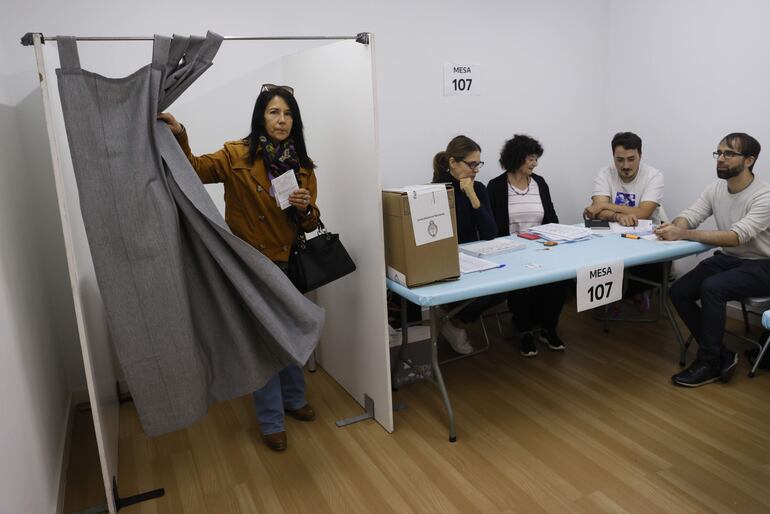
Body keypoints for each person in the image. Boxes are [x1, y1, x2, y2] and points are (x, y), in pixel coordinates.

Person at [158, 84, 318, 451]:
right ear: (260, 117)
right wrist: (180, 134)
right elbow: (194, 170)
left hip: (288, 261)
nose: (281, 120)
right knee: (262, 345)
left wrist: (306, 207)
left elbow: (309, 223)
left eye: (288, 114)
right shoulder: (235, 155)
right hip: (250, 264)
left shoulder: (302, 165)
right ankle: (270, 420)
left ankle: (294, 400)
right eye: (274, 112)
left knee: (292, 334)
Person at [657, 132, 770, 387]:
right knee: (679, 291)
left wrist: (683, 233)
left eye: (728, 154)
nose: (720, 159)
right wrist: (674, 226)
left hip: (763, 265)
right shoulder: (717, 188)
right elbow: (692, 214)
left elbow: (736, 236)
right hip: (731, 260)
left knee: (713, 287)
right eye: (718, 153)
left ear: (749, 160)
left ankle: (709, 362)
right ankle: (721, 354)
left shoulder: (765, 195)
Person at [487, 135, 568, 356]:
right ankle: (524, 332)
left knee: (560, 282)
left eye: (536, 159)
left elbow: (551, 216)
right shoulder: (495, 186)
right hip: (509, 251)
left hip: (541, 246)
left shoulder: (540, 183)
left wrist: (556, 238)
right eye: (531, 159)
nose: (535, 163)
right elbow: (492, 228)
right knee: (520, 284)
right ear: (516, 158)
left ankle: (548, 328)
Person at [431, 135, 498, 354]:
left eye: (478, 163)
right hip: (446, 261)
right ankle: (450, 321)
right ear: (453, 163)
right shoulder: (435, 191)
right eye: (472, 164)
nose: (476, 169)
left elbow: (490, 233)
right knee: (482, 294)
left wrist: (471, 196)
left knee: (502, 290)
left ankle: (448, 321)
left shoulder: (478, 188)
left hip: (474, 257)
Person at [584, 132, 665, 311]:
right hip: (609, 234)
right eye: (619, 160)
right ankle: (613, 296)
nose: (625, 165)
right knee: (590, 253)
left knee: (643, 265)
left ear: (640, 156)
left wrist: (605, 206)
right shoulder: (605, 172)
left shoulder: (653, 175)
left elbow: (644, 212)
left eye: (631, 159)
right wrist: (618, 216)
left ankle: (631, 291)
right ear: (613, 157)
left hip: (644, 238)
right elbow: (596, 212)